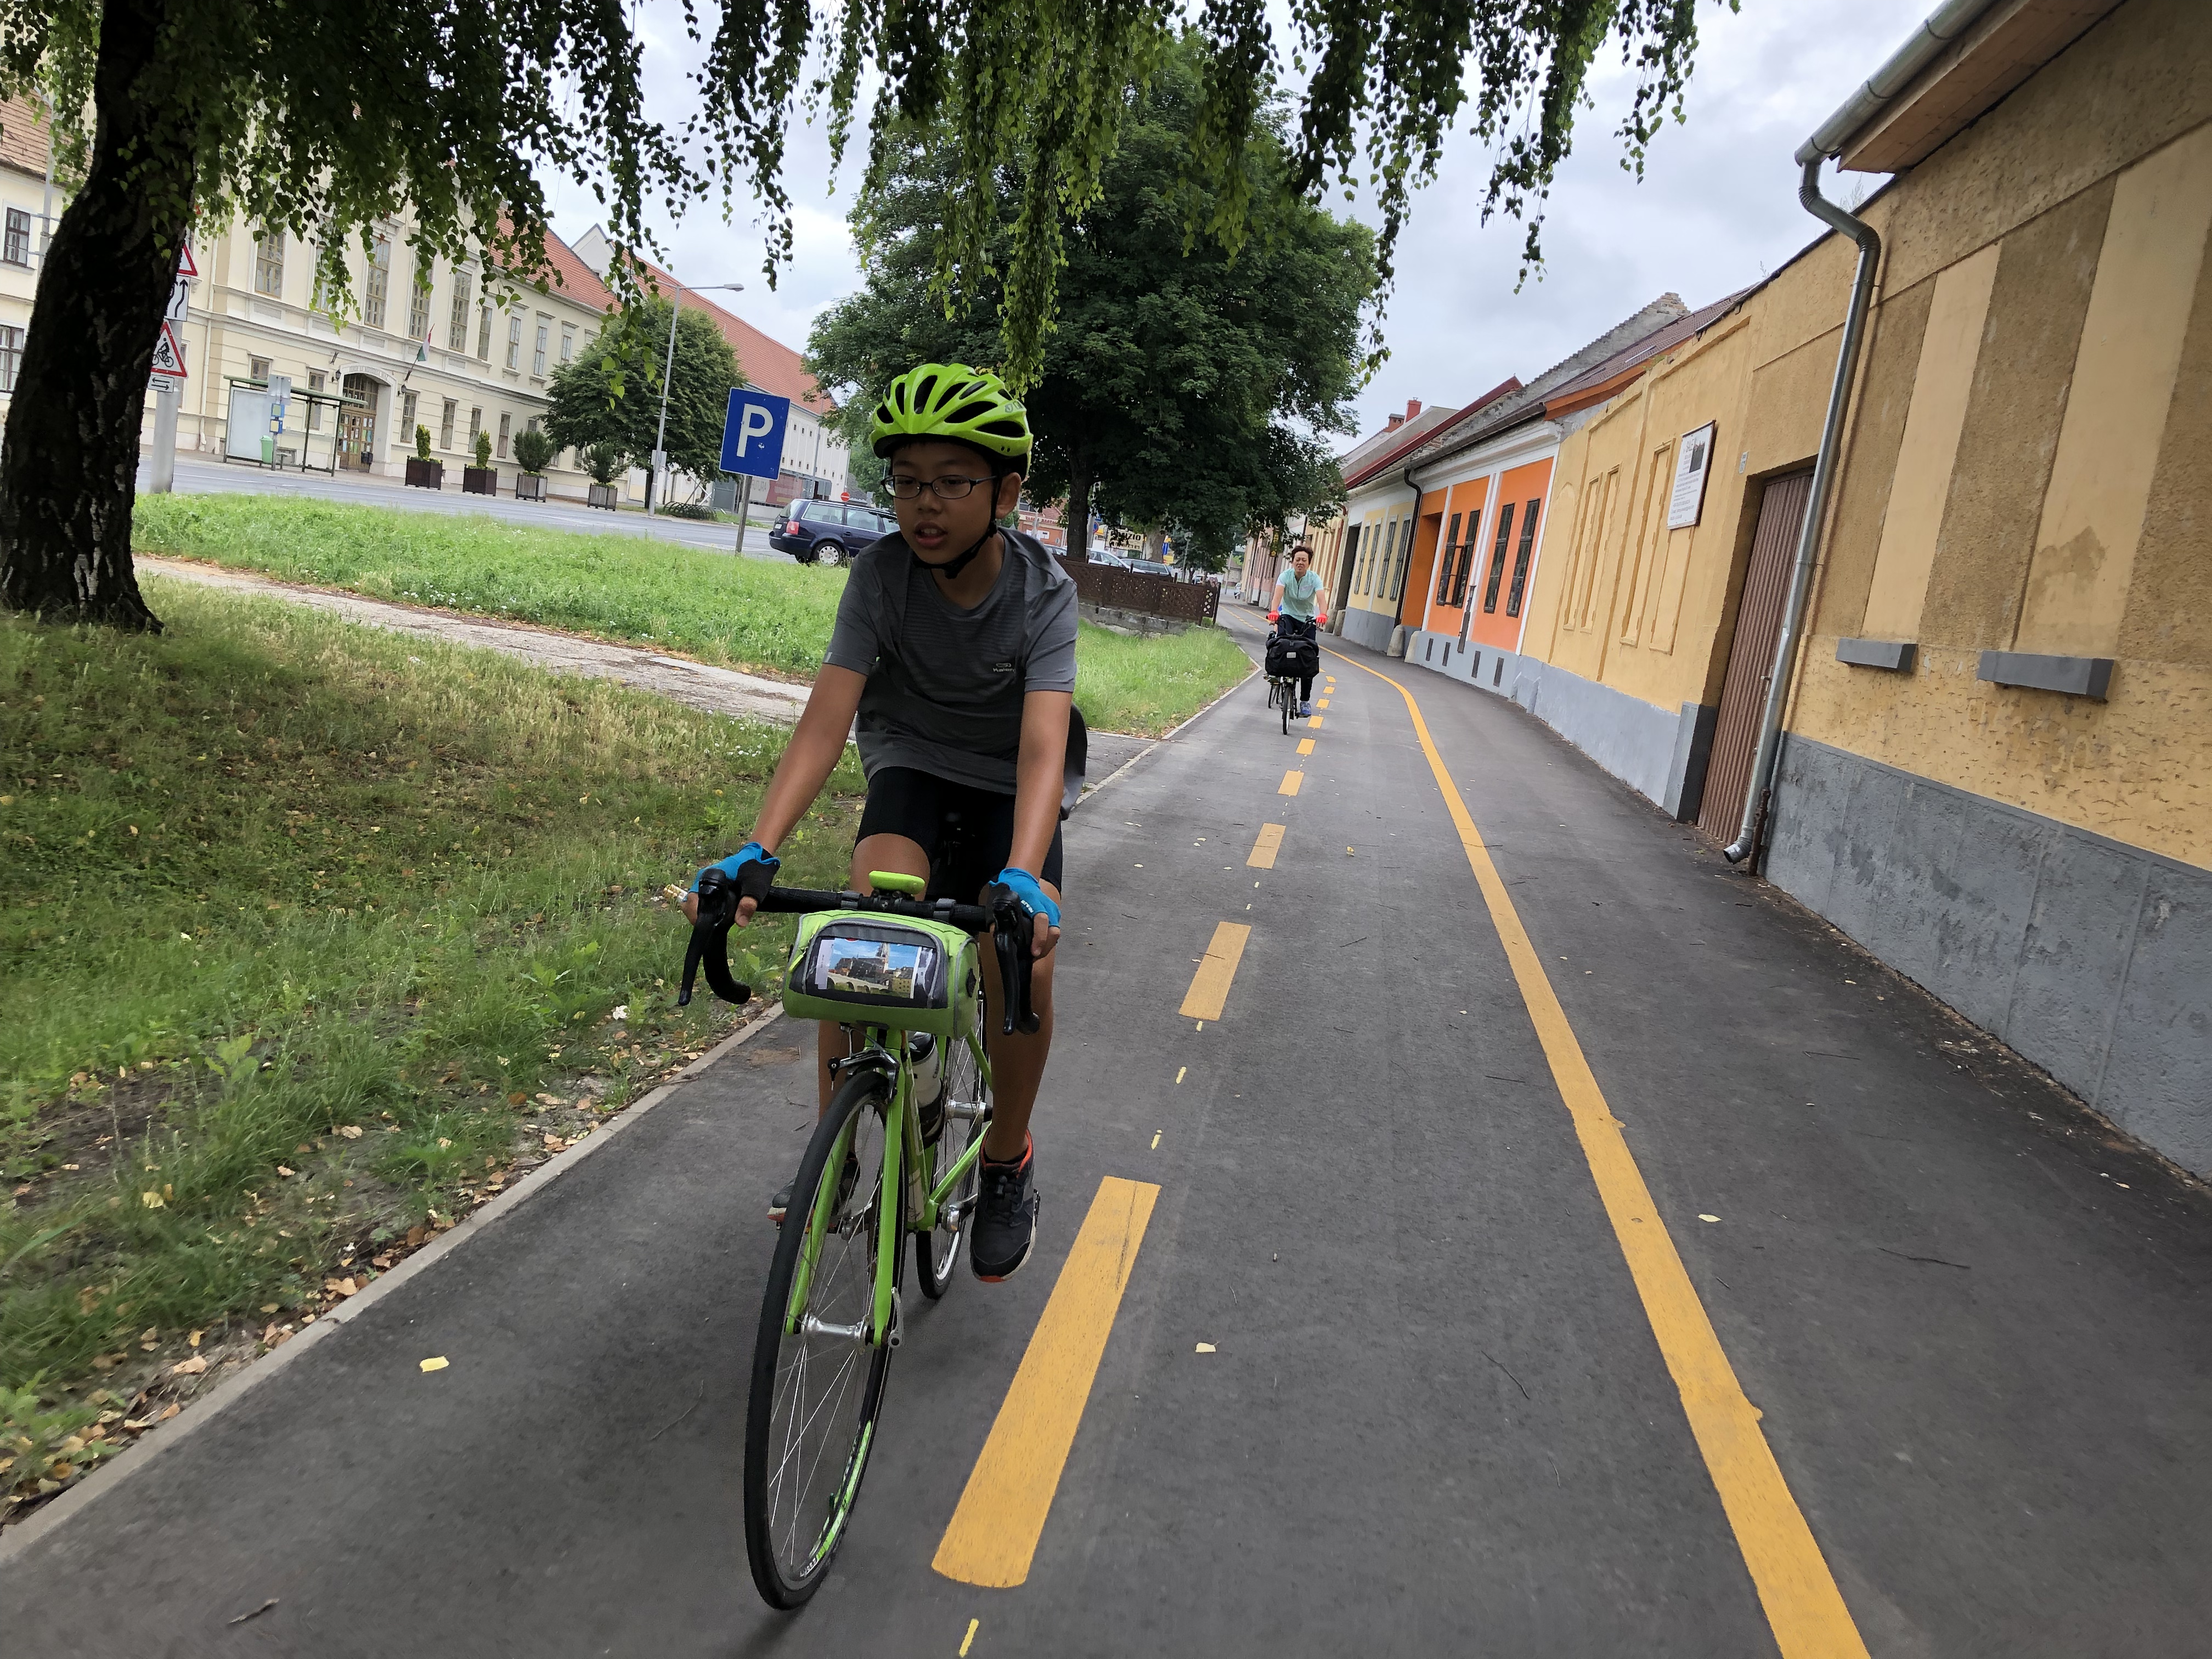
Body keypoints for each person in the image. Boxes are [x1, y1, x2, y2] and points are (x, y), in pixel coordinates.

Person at [683, 362, 1071, 1283]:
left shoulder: (1042, 591)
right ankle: (841, 1145)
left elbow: (1042, 750)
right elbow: (825, 723)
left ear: (1005, 493)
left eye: (952, 482)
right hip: (911, 766)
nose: (924, 503)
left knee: (1019, 959)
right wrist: (758, 846)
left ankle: (1006, 1159)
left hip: (1006, 785)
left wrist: (1022, 875)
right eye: (906, 481)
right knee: (862, 937)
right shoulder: (881, 576)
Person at [1270, 544, 1325, 715]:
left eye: (1304, 560)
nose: (1300, 562)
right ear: (1293, 561)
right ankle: (1275, 673)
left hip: (1307, 620)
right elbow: (1277, 596)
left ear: (1309, 563)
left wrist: (1323, 614)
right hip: (1288, 616)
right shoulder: (1285, 576)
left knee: (1308, 658)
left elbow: (1321, 598)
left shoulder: (1314, 579)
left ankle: (1305, 701)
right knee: (1281, 644)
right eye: (1297, 559)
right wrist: (1274, 612)